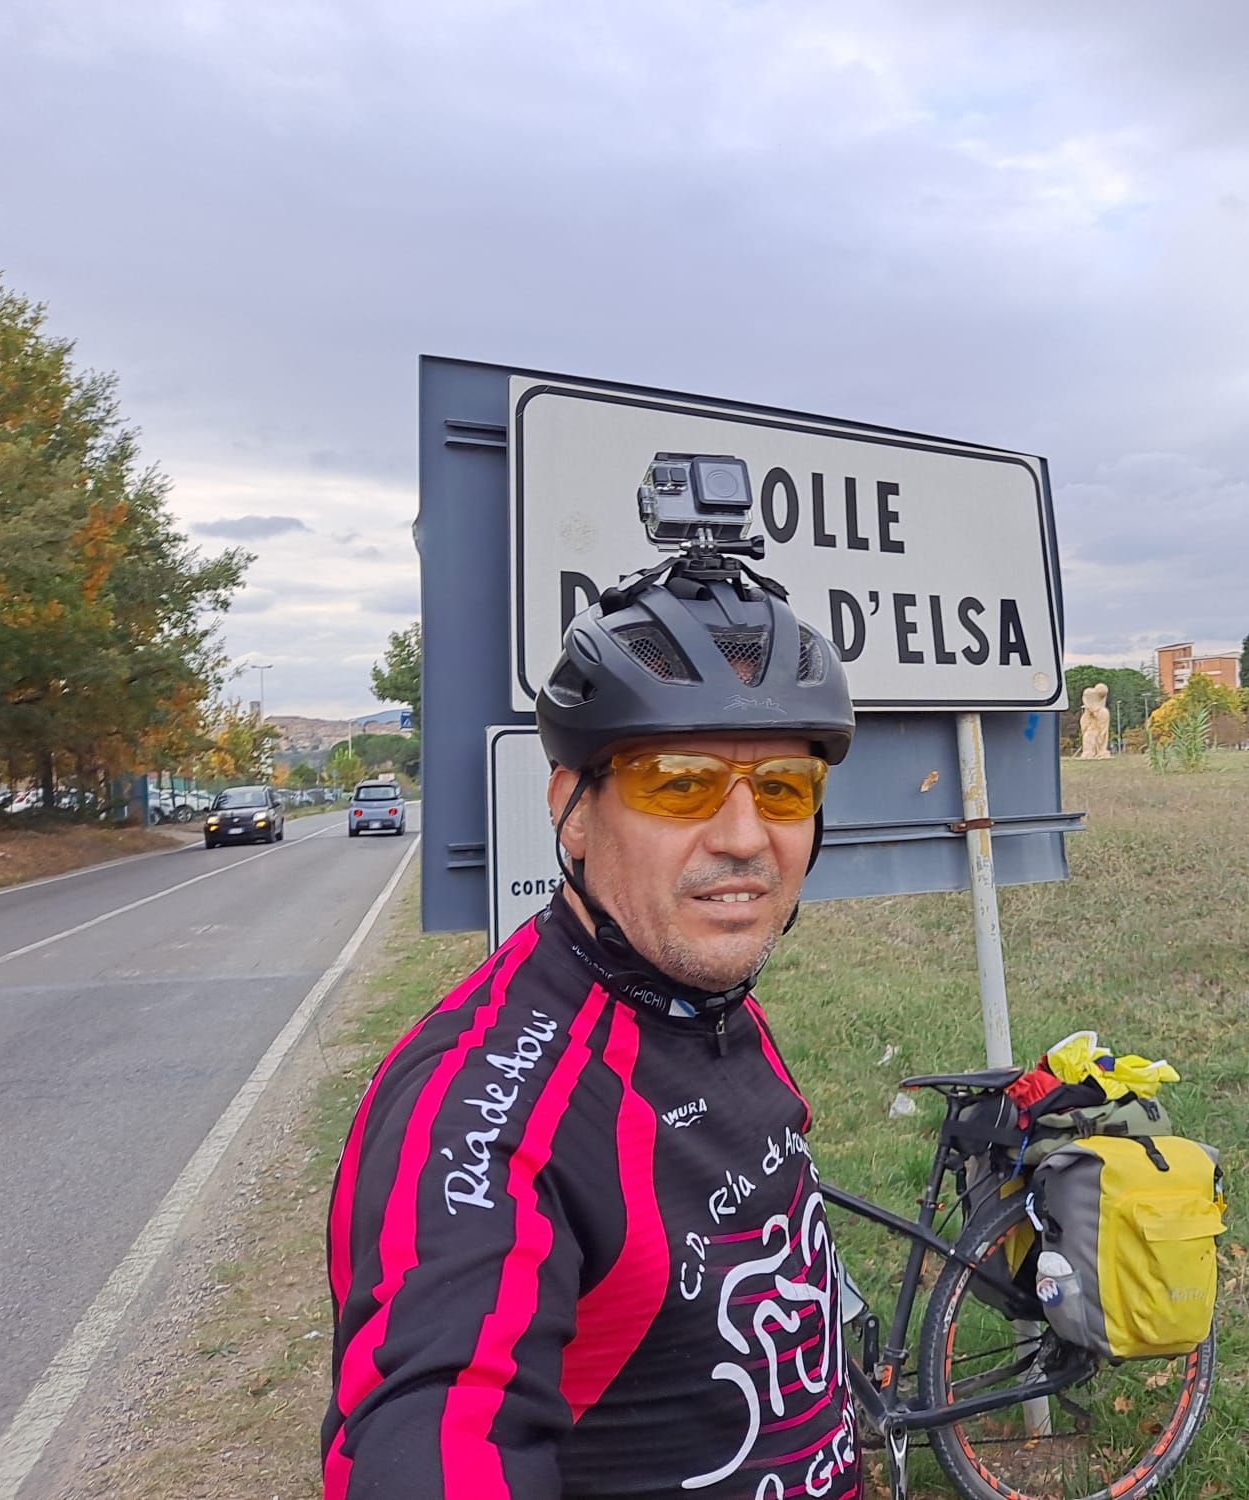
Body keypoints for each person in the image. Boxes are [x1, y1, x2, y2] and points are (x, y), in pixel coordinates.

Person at [321, 553, 860, 1500]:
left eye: (782, 787)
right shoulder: (482, 1112)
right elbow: (439, 1414)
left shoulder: (713, 1005)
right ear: (571, 811)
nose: (744, 836)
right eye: (678, 783)